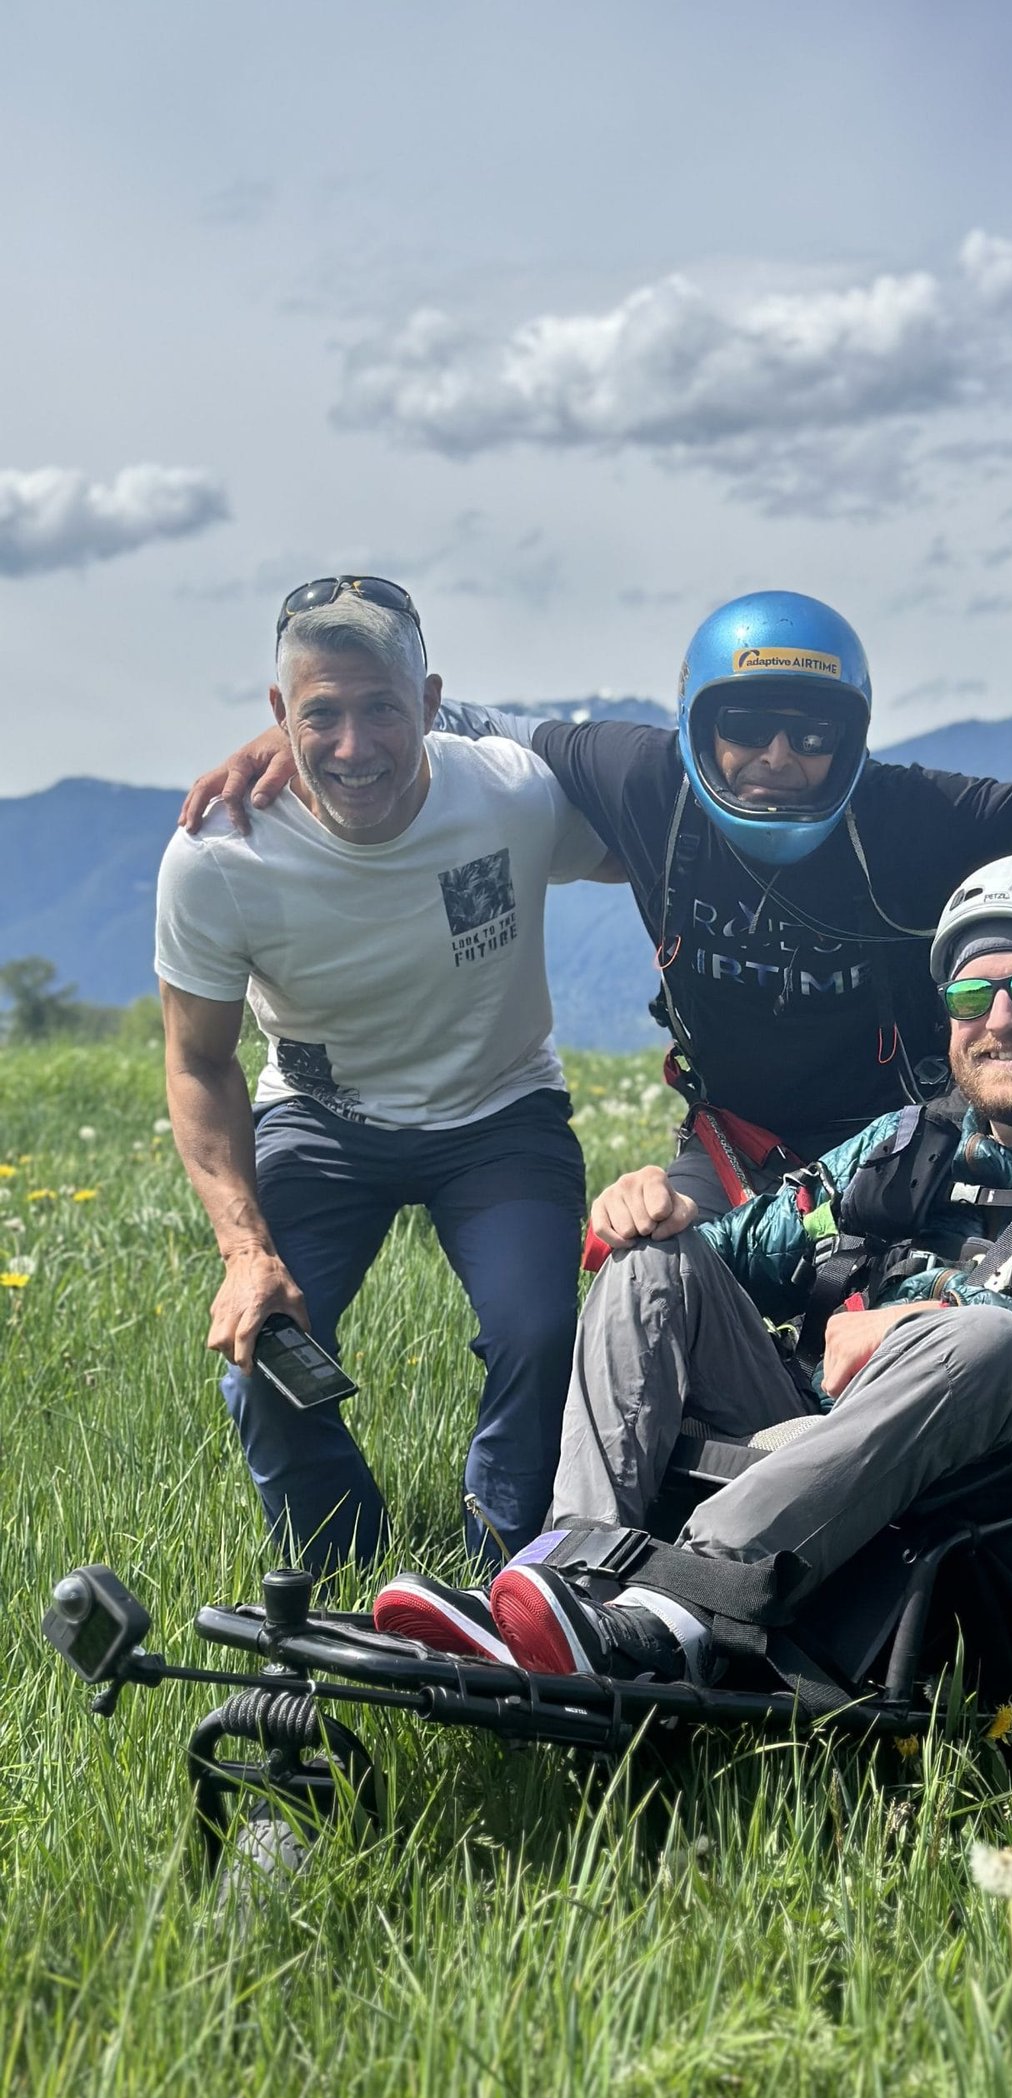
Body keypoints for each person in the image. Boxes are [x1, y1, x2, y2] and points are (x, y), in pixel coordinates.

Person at [370, 853, 1012, 1684]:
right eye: (972, 995)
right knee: (652, 1265)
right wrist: (657, 1210)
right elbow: (726, 1255)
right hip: (826, 1439)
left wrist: (940, 1315)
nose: (1001, 1019)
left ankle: (675, 1606)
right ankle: (572, 1581)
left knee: (985, 1339)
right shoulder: (907, 1144)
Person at [180, 592, 1012, 1218]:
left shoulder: (911, 816)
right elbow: (462, 718)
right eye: (744, 727)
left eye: (813, 732)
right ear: (696, 729)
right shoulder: (642, 782)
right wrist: (318, 734)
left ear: (853, 738)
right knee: (644, 1286)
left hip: (908, 1147)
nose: (777, 757)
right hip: (729, 1147)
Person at [156, 576, 615, 1574]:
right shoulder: (217, 856)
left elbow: (648, 843)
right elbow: (196, 1060)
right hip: (320, 1120)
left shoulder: (509, 791)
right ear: (278, 712)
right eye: (321, 714)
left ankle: (505, 1576)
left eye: (383, 709)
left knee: (539, 1335)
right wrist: (244, 1251)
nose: (353, 746)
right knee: (261, 1355)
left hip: (500, 1113)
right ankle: (344, 1568)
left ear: (432, 702)